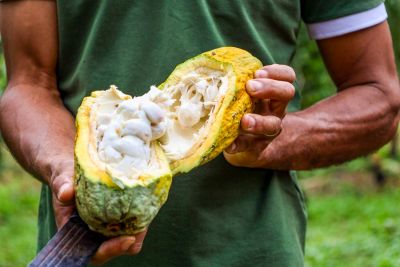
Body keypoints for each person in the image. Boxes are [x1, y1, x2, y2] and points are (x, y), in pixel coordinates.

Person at [0, 1, 398, 266]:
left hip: (251, 252)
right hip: (82, 251)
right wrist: (68, 171)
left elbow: (379, 95)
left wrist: (272, 139)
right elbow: (28, 83)